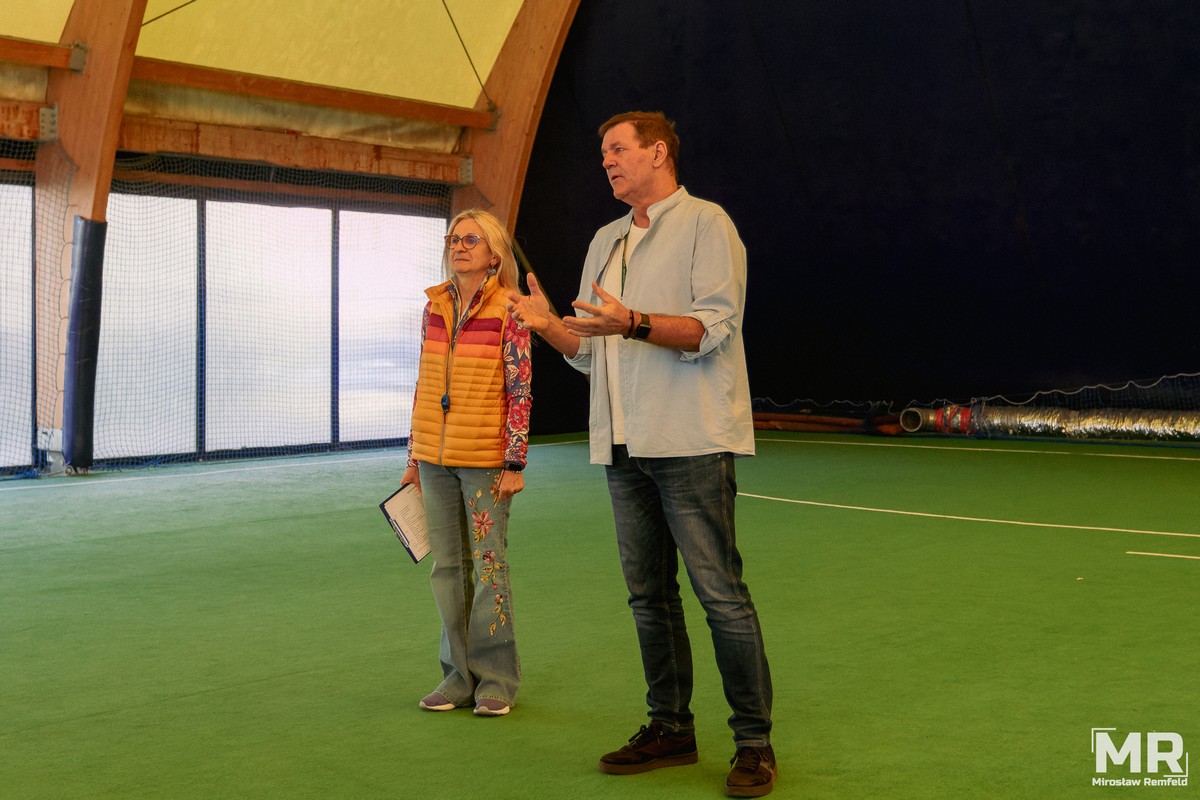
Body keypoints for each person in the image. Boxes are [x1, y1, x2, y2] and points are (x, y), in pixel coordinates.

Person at [508, 112, 776, 796]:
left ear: (658, 152)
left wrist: (632, 321)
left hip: (690, 441)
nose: (607, 161)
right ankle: (670, 729)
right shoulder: (605, 240)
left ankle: (754, 744)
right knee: (648, 598)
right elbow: (590, 353)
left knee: (721, 596)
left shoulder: (708, 224)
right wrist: (549, 328)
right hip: (622, 447)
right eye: (603, 153)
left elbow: (714, 329)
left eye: (618, 149)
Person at [403, 208, 532, 718]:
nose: (458, 246)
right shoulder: (433, 307)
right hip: (434, 459)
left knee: (490, 565)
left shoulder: (511, 309)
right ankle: (458, 676)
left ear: (494, 254)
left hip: (486, 461)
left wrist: (514, 461)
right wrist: (413, 455)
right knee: (448, 568)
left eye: (470, 239)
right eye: (453, 239)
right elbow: (423, 381)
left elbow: (520, 388)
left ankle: (496, 679)